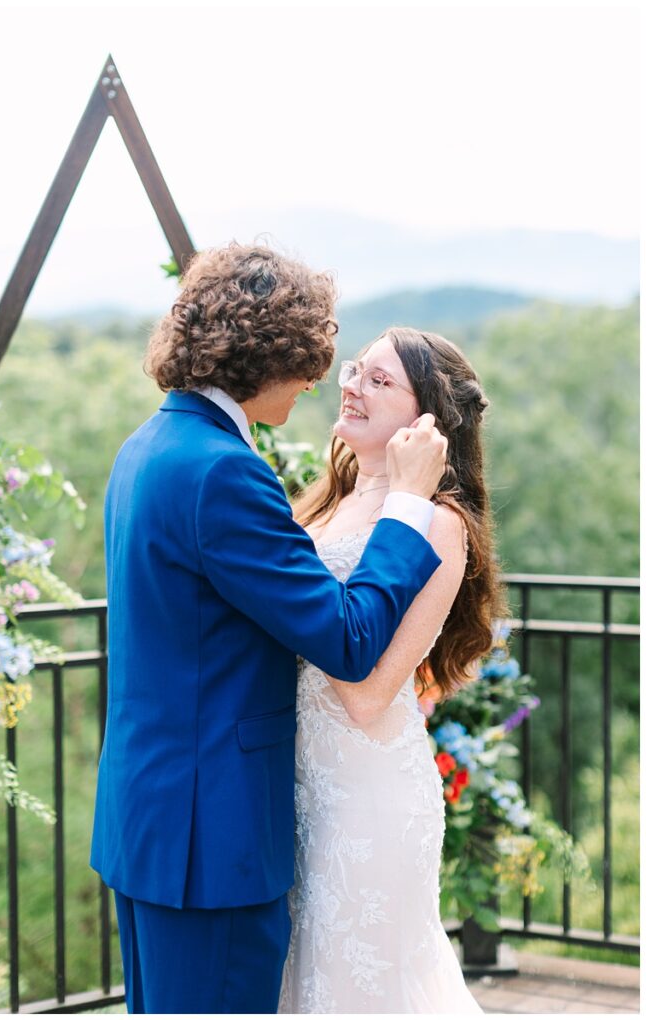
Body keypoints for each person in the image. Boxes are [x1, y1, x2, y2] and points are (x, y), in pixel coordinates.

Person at [89, 243, 449, 1014]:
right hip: (210, 841)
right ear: (269, 355)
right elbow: (349, 640)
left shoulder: (145, 447)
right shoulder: (224, 470)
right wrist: (410, 505)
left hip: (152, 824)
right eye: (313, 360)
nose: (321, 381)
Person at [279, 327, 501, 1013]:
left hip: (365, 800)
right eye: (355, 370)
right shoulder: (323, 502)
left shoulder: (438, 524)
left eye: (380, 381)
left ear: (426, 419)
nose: (352, 385)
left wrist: (302, 616)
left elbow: (371, 695)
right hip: (296, 786)